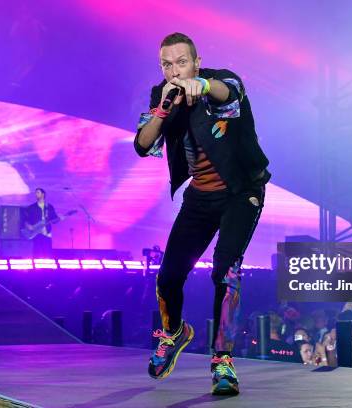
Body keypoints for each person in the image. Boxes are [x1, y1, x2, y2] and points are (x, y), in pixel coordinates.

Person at [134, 32, 271, 395]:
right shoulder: (162, 95)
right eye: (167, 64)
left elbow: (230, 92)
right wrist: (163, 109)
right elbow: (142, 144)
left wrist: (202, 84)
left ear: (195, 61)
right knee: (167, 278)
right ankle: (174, 333)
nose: (175, 70)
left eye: (182, 62)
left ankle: (222, 360)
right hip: (200, 198)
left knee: (226, 272)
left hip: (241, 192)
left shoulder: (222, 80)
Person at [23, 187, 59, 258]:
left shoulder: (49, 207)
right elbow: (25, 220)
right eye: (35, 193)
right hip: (37, 234)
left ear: (43, 194)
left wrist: (59, 218)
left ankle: (48, 268)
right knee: (37, 254)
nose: (36, 194)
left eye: (38, 193)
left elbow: (54, 219)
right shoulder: (31, 208)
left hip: (47, 234)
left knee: (48, 255)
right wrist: (28, 225)